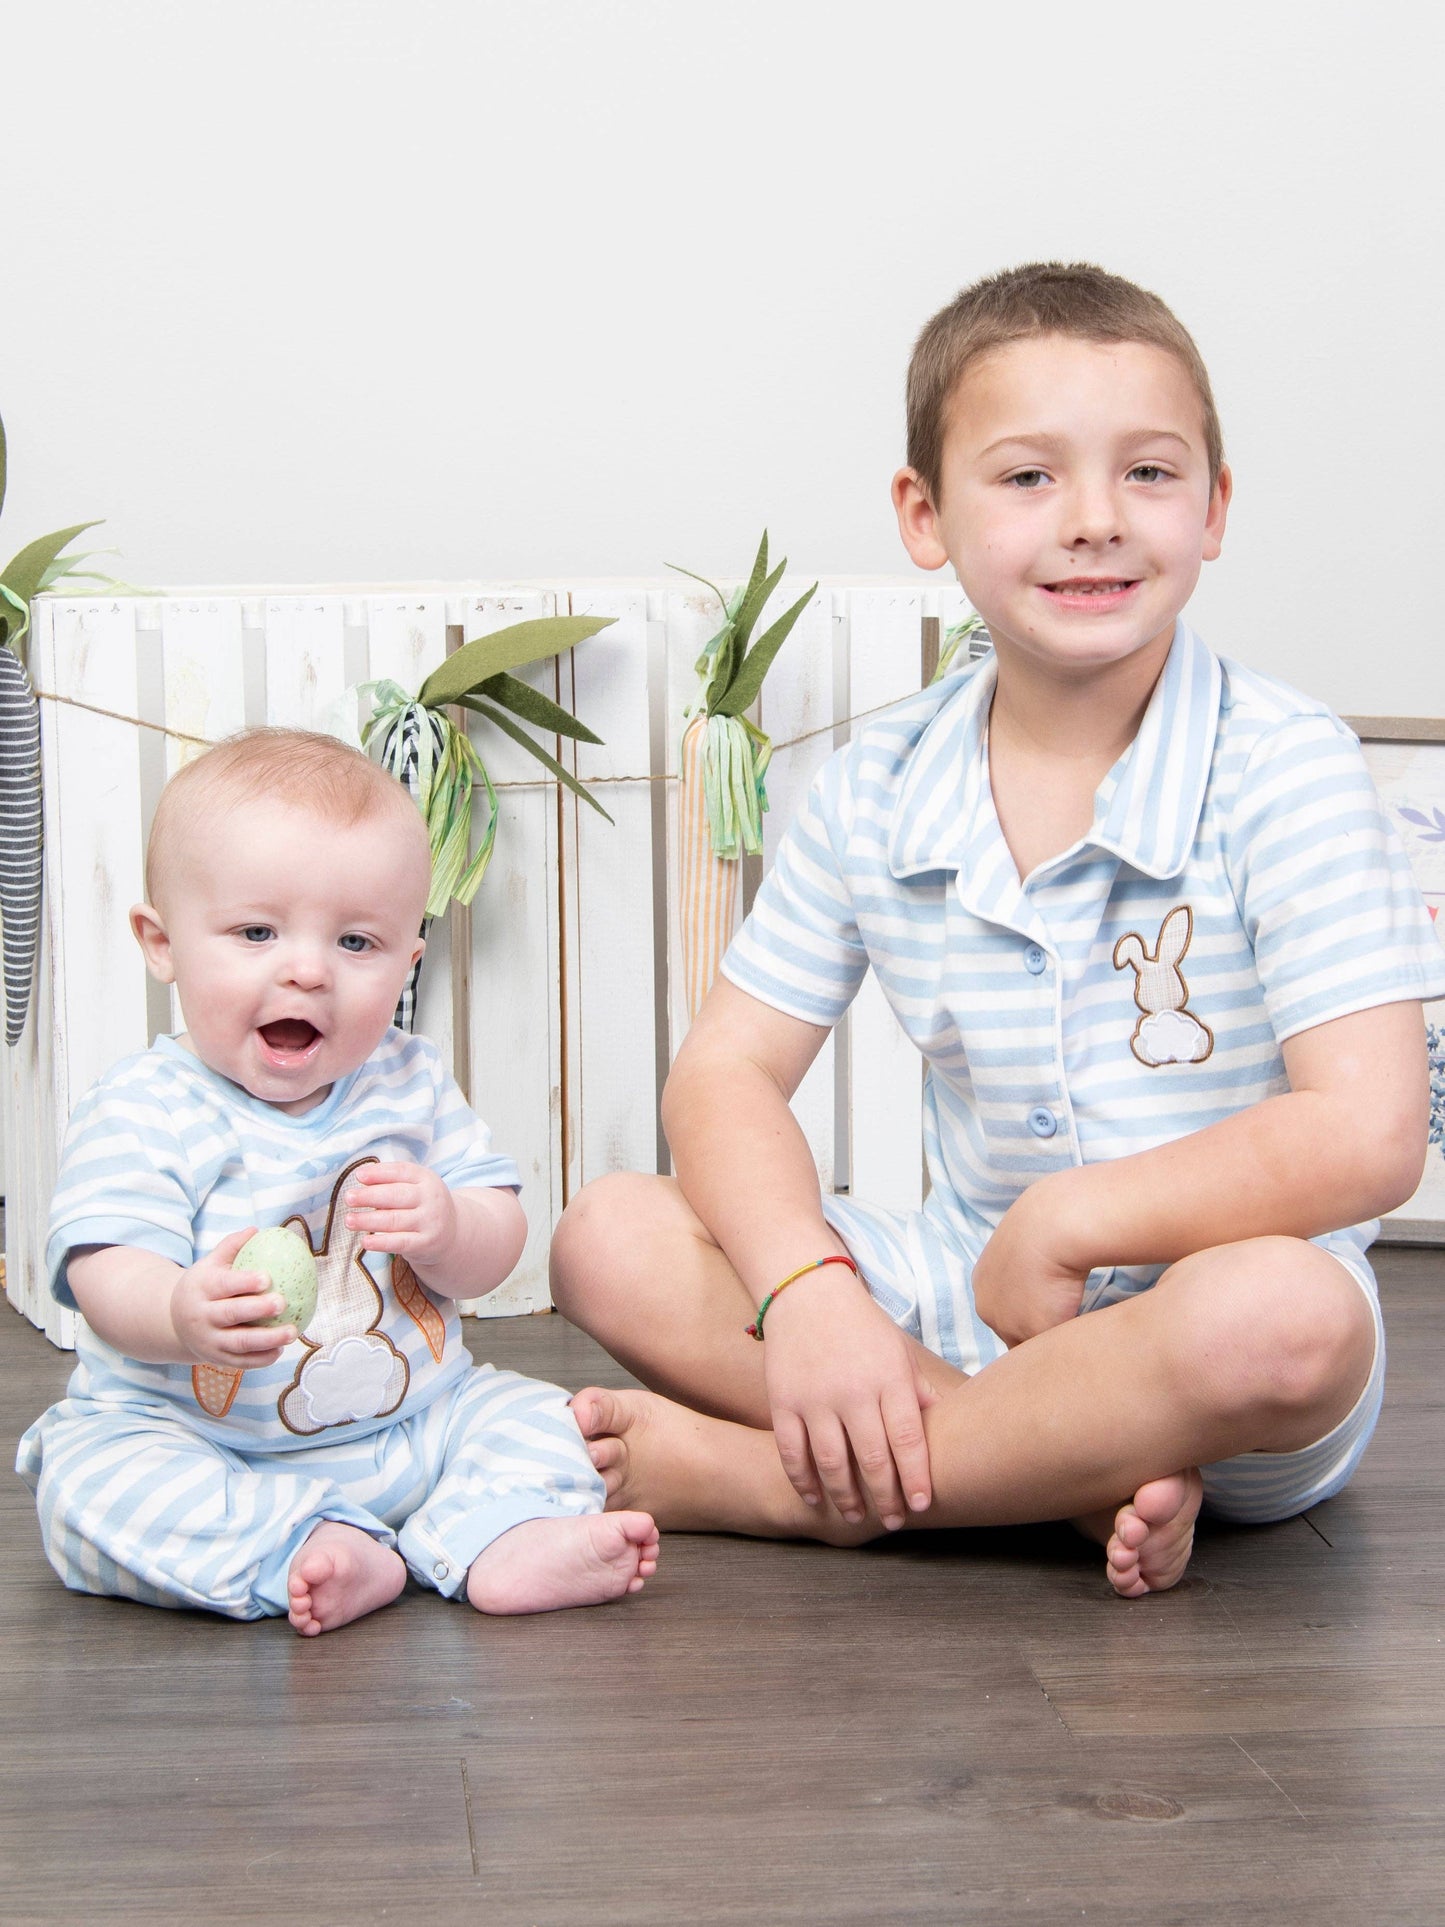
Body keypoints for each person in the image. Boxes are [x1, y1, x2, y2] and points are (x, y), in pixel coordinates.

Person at [551, 261, 1445, 1595]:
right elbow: (725, 1073)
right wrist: (809, 1292)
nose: (1092, 520)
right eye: (1028, 478)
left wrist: (1079, 1217)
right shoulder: (876, 783)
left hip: (1205, 1339)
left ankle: (795, 1491)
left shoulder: (1285, 763)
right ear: (926, 514)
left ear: (1214, 508)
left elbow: (1366, 1132)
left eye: (1147, 473)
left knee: (1290, 1316)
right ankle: (1044, 1470)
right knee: (606, 1232)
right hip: (965, 1292)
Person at [17, 728, 658, 1633]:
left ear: (408, 960)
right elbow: (102, 1268)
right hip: (203, 1445)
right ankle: (310, 1545)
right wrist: (176, 1311)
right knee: (88, 1487)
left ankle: (492, 1533)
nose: (308, 968)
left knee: (548, 1418)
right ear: (161, 944)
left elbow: (497, 1241)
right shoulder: (145, 1106)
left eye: (357, 941)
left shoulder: (411, 1081)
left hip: (412, 1426)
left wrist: (447, 1226)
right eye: (254, 931)